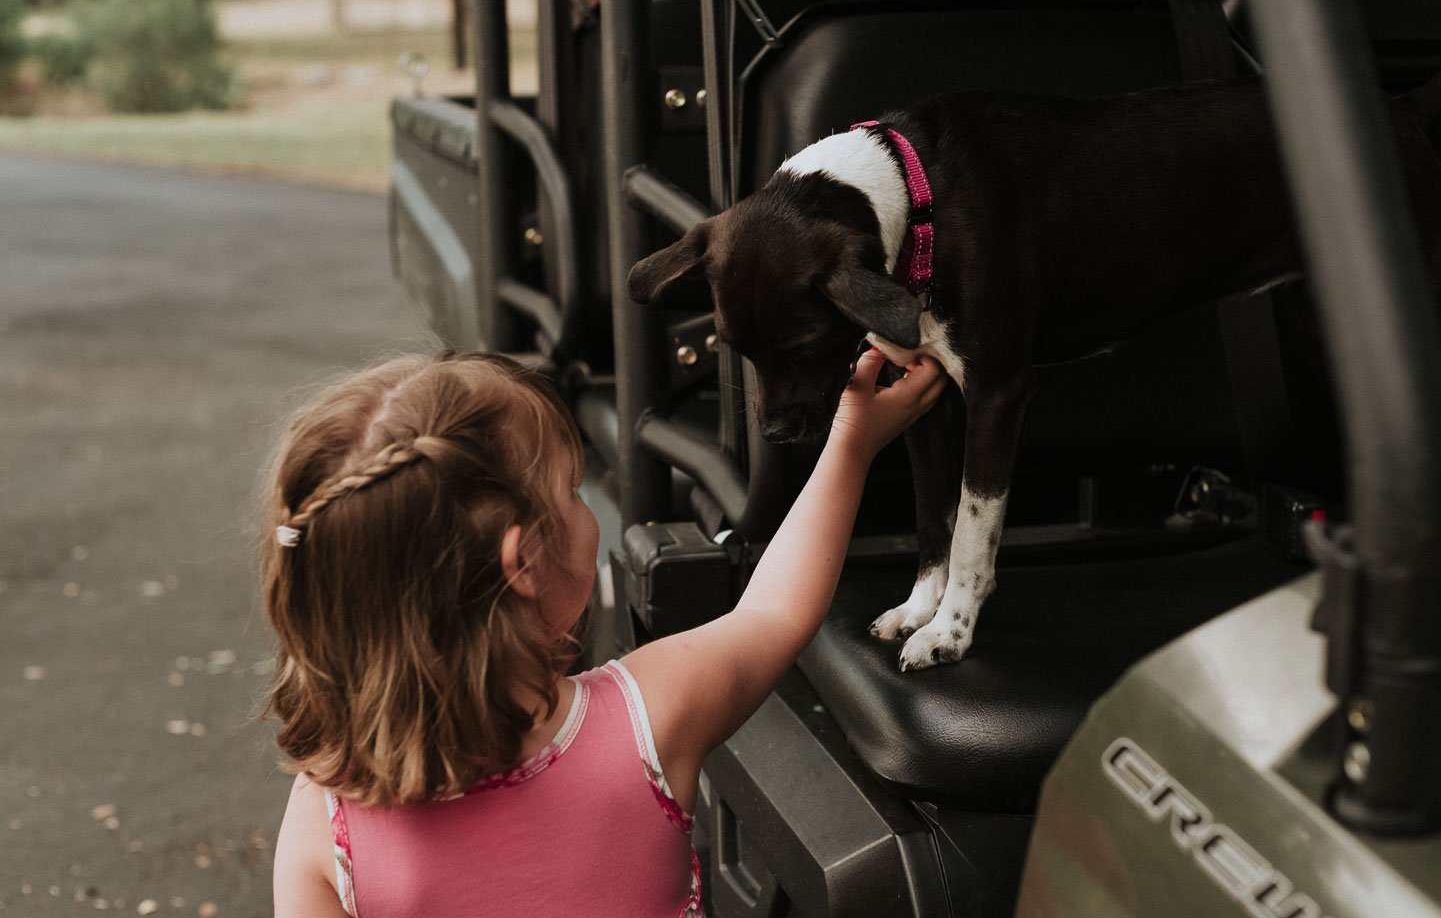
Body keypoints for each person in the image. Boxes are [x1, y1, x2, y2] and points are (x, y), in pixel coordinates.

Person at [265, 347, 945, 917]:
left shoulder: (324, 826)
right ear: (522, 562)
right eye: (571, 489)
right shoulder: (645, 721)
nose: (584, 504)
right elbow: (774, 613)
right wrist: (852, 443)